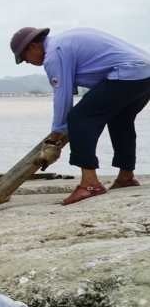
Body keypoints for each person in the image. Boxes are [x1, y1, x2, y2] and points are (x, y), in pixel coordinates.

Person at [11, 26, 150, 205]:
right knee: (120, 120)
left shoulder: (53, 54)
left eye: (24, 58)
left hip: (128, 72)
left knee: (78, 118)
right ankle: (126, 176)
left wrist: (56, 135)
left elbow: (62, 96)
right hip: (144, 73)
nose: (27, 63)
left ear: (32, 47)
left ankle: (89, 183)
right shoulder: (64, 41)